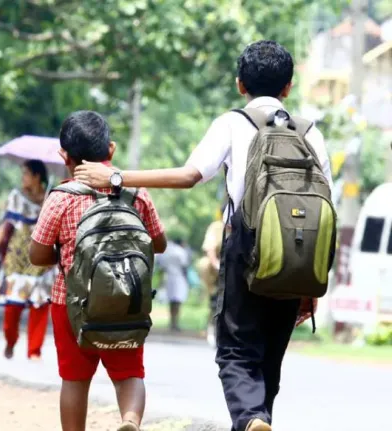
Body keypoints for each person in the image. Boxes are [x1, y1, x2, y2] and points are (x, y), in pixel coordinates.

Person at [73, 41, 333, 431]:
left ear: (240, 84)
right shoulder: (312, 134)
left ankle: (251, 420)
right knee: (268, 360)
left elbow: (190, 175)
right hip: (298, 257)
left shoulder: (233, 123)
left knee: (234, 353)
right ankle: (257, 418)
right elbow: (322, 207)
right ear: (289, 88)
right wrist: (311, 283)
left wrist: (115, 176)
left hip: (246, 250)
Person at [29, 111, 167, 431]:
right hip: (127, 300)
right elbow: (158, 243)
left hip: (71, 302)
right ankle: (130, 420)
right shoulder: (135, 192)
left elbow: (36, 254)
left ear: (65, 157)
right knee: (129, 374)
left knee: (75, 380)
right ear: (112, 150)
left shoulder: (62, 197)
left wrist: (69, 255)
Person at [0, 159, 54, 361]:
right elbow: (6, 226)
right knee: (13, 305)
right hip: (17, 255)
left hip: (41, 254)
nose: (23, 178)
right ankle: (10, 340)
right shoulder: (16, 196)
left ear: (36, 176)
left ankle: (34, 350)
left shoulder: (51, 197)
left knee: (39, 304)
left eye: (26, 174)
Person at [198, 207, 225, 347]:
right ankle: (213, 328)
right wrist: (217, 265)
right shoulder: (217, 227)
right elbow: (210, 248)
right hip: (216, 270)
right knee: (215, 301)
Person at [156, 237, 190, 332]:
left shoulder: (167, 252)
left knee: (171, 301)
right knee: (177, 301)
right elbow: (184, 267)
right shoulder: (181, 251)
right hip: (179, 278)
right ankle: (175, 323)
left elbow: (161, 267)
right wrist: (187, 280)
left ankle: (171, 322)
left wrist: (160, 281)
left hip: (169, 277)